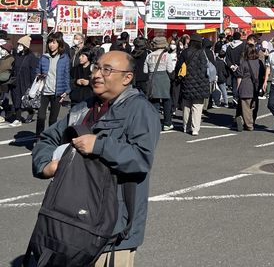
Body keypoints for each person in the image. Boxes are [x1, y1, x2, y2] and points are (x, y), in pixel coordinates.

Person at [31, 49, 161, 266]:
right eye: (96, 67)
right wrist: (45, 165)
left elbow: (141, 158)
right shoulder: (83, 108)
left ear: (127, 77)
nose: (97, 74)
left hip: (113, 228)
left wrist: (99, 145)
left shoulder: (140, 110)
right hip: (70, 219)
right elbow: (48, 138)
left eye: (107, 70)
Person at [36, 34, 71, 138]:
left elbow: (66, 75)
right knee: (41, 117)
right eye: (50, 42)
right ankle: (39, 138)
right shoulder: (44, 57)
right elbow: (37, 71)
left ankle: (51, 139)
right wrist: (39, 75)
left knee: (53, 119)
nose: (51, 45)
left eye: (54, 42)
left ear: (59, 44)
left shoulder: (64, 58)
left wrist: (66, 91)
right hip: (44, 91)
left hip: (57, 93)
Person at [175, 34, 209, 136]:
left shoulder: (185, 52)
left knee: (186, 106)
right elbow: (205, 68)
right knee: (197, 107)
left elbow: (179, 66)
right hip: (200, 83)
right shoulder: (202, 53)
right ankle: (195, 129)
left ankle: (186, 126)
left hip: (187, 81)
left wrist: (178, 77)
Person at [144, 36, 176, 131]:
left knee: (154, 102)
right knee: (166, 101)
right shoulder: (167, 55)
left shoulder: (149, 56)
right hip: (164, 79)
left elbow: (145, 71)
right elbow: (170, 69)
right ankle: (167, 123)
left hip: (152, 79)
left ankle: (153, 123)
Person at [233, 41, 266, 131]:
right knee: (253, 106)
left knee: (245, 107)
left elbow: (239, 77)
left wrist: (237, 89)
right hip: (256, 86)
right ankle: (250, 121)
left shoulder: (244, 63)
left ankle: (247, 124)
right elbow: (263, 74)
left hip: (245, 86)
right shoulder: (259, 62)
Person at [10, 35, 38, 126]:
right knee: (16, 98)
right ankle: (18, 119)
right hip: (16, 80)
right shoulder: (16, 55)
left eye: (21, 45)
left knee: (25, 101)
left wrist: (32, 85)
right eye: (18, 45)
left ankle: (31, 111)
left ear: (26, 47)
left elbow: (33, 71)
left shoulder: (31, 57)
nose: (19, 47)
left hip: (26, 81)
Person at [0, 37, 15, 123]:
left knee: (5, 98)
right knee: (3, 98)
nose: (1, 50)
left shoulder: (10, 59)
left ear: (6, 50)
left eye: (2, 49)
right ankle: (5, 113)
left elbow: (9, 69)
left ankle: (5, 114)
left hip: (6, 82)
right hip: (2, 82)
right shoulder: (3, 58)